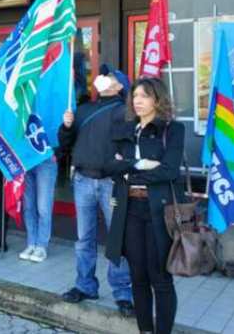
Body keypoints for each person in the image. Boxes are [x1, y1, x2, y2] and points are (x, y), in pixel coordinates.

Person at [104, 77, 184, 334]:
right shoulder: (128, 129)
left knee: (160, 278)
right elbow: (110, 166)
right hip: (130, 211)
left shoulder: (172, 130)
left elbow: (169, 171)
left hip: (158, 212)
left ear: (157, 99)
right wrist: (140, 165)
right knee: (137, 276)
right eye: (135, 96)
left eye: (144, 96)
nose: (137, 101)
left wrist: (129, 173)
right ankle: (145, 330)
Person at [58, 65, 134, 317]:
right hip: (82, 180)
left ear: (120, 86)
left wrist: (121, 160)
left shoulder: (126, 111)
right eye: (102, 76)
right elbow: (66, 144)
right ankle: (85, 285)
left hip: (111, 183)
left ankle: (123, 293)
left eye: (109, 77)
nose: (102, 79)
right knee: (83, 239)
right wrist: (67, 126)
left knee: (118, 240)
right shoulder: (83, 109)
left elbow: (131, 146)